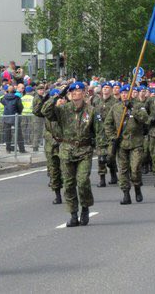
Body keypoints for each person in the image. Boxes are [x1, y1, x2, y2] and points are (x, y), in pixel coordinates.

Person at [41, 82, 100, 227]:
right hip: (67, 151)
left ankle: (85, 208)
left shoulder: (91, 111)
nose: (75, 93)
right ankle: (73, 214)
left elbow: (100, 132)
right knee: (68, 184)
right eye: (72, 91)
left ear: (85, 92)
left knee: (82, 181)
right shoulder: (63, 109)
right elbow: (45, 110)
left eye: (78, 91)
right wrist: (58, 95)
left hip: (84, 151)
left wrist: (103, 151)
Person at [104, 85, 150, 204]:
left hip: (136, 143)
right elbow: (108, 124)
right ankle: (126, 194)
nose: (124, 95)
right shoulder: (115, 107)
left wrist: (133, 108)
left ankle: (137, 187)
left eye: (127, 93)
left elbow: (145, 119)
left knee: (135, 169)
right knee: (123, 170)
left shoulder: (139, 106)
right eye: (122, 93)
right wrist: (113, 137)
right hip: (121, 143)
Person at [33, 86, 65, 204]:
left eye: (60, 98)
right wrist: (46, 99)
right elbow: (37, 111)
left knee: (66, 170)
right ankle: (57, 194)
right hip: (51, 144)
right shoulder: (48, 112)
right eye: (57, 99)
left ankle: (69, 192)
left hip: (64, 143)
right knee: (53, 171)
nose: (59, 101)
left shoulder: (65, 110)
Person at [92, 82, 118, 187]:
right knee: (101, 157)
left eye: (107, 88)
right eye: (104, 88)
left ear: (111, 90)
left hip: (111, 133)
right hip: (99, 133)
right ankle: (102, 178)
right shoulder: (96, 101)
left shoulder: (115, 102)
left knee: (110, 156)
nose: (105, 90)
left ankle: (113, 174)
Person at [0, 85, 25, 153]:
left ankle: (8, 149)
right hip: (15, 117)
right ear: (14, 91)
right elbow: (20, 107)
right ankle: (21, 149)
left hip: (6, 117)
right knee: (19, 134)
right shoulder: (17, 98)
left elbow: (1, 101)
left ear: (7, 91)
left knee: (7, 133)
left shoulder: (4, 98)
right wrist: (18, 112)